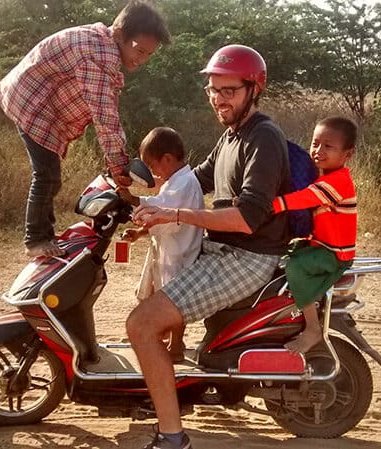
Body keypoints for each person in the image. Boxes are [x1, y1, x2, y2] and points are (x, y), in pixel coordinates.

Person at [127, 45, 290, 449]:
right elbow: (191, 181)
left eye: (229, 90)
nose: (219, 98)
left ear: (254, 89)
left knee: (141, 325)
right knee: (152, 303)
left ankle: (171, 435)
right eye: (213, 89)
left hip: (246, 257)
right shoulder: (231, 136)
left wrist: (175, 217)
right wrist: (139, 205)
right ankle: (177, 387)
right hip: (221, 251)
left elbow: (246, 218)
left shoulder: (263, 139)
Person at [0, 1, 170, 258]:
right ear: (119, 35)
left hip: (41, 106)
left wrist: (117, 165)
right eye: (139, 50)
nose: (141, 60)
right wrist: (120, 167)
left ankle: (45, 234)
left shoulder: (101, 43)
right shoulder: (98, 53)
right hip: (33, 105)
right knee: (46, 175)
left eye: (148, 54)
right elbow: (104, 115)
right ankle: (36, 239)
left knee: (50, 175)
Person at [272, 117, 358, 354]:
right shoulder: (323, 177)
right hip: (321, 245)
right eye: (315, 143)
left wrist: (273, 204)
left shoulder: (337, 182)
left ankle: (312, 328)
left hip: (333, 254)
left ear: (347, 154)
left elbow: (305, 198)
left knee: (296, 268)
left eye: (328, 146)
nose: (318, 151)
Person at [119, 127, 204, 363]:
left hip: (179, 253)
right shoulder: (174, 181)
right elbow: (162, 219)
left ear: (167, 159)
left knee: (174, 301)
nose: (152, 172)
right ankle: (167, 339)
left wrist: (133, 199)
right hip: (168, 249)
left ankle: (176, 346)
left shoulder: (185, 183)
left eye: (152, 165)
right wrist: (139, 233)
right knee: (162, 294)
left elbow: (164, 210)